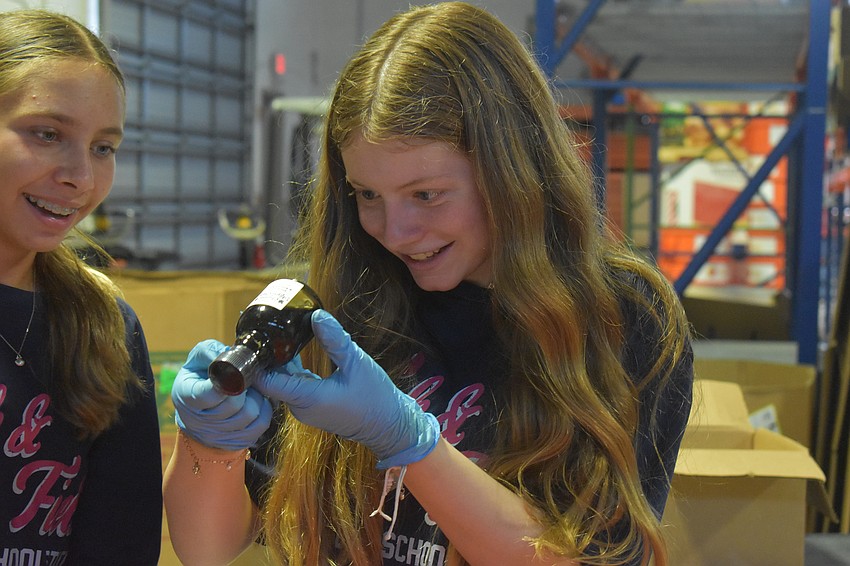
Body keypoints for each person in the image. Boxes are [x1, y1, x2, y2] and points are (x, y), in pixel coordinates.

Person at [164, 3, 693, 565]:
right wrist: (210, 440)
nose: (395, 232)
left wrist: (411, 446)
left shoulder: (623, 317)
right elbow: (207, 548)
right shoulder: (351, 303)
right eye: (368, 195)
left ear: (511, 169)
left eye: (427, 194)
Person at [0, 9, 162, 564]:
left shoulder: (104, 323)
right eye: (48, 135)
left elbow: (122, 539)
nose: (82, 178)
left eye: (103, 147)